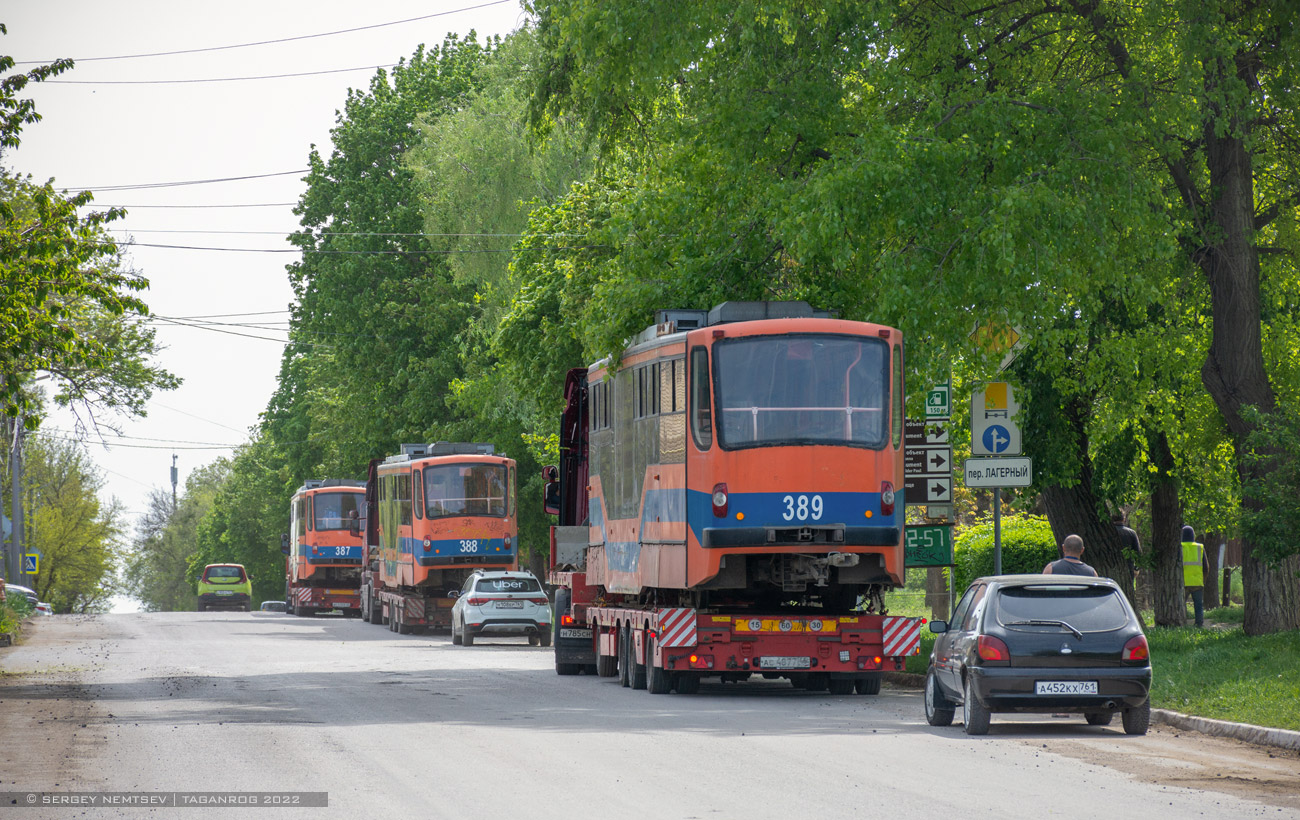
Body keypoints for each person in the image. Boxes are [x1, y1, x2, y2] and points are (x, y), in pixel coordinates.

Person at [1181, 525, 1208, 628]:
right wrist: (1203, 580)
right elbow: (1206, 567)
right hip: (1197, 582)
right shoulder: (1199, 547)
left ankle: (1182, 624)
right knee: (1198, 605)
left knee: (1181, 605)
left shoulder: (1179, 546)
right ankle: (1199, 624)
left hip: (1183, 583)